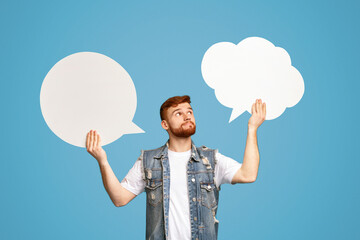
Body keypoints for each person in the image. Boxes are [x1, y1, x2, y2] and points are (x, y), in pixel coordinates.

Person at [86, 95, 266, 240]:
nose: (187, 116)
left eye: (190, 111)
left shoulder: (211, 160)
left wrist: (252, 128)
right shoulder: (149, 161)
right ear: (165, 124)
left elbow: (248, 174)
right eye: (178, 113)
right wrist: (103, 161)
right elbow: (119, 199)